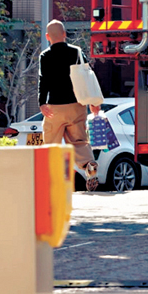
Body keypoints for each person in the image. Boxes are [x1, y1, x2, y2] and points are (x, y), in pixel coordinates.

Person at [38, 20, 102, 191]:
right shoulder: (77, 52)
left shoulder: (45, 56)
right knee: (79, 141)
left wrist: (42, 103)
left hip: (54, 108)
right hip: (77, 105)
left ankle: (53, 179)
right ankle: (88, 164)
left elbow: (43, 80)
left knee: (52, 143)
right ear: (65, 34)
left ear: (47, 37)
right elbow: (88, 77)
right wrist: (93, 102)